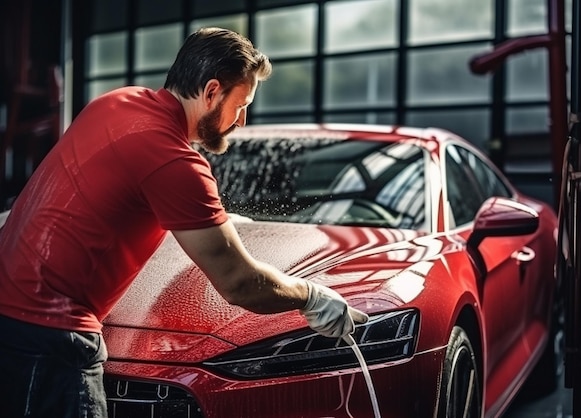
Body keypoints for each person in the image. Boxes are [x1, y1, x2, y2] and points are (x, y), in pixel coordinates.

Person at [0, 27, 368, 418]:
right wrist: (310, 296)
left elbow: (111, 198)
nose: (242, 120)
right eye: (241, 104)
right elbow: (240, 284)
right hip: (52, 339)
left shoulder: (115, 102)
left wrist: (214, 219)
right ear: (212, 91)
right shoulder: (175, 162)